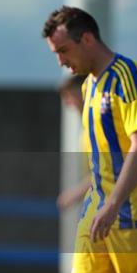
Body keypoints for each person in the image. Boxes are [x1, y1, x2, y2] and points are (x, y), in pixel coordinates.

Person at [42, 6, 137, 273]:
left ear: (88, 39)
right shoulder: (90, 85)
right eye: (56, 53)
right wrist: (98, 200)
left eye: (64, 50)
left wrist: (114, 203)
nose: (61, 61)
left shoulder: (128, 76)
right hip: (99, 209)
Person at [56, 75, 92, 211]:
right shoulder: (87, 130)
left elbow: (106, 174)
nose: (67, 103)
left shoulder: (97, 129)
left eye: (69, 96)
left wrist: (75, 194)